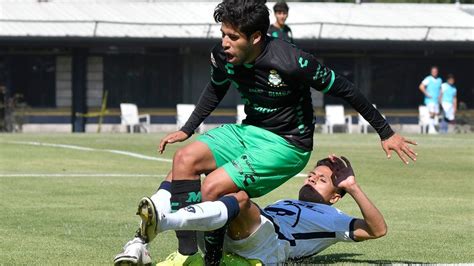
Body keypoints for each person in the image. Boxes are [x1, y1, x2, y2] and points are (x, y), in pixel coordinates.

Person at [120, 0, 416, 265]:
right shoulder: (222, 55)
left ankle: (212, 259)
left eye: (232, 37)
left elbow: (347, 89)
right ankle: (187, 254)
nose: (224, 42)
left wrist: (385, 132)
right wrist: (187, 128)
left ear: (256, 37)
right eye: (223, 33)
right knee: (184, 160)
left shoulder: (292, 61)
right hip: (250, 130)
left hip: (288, 145)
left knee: (212, 187)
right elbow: (216, 88)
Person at [114, 155, 387, 265]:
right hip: (238, 231)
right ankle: (138, 244)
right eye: (313, 174)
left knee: (241, 198)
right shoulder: (285, 202)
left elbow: (378, 230)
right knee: (185, 166)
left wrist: (352, 186)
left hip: (269, 247)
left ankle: (165, 222)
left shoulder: (333, 218)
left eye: (323, 179)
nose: (313, 178)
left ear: (336, 197)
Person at [419, 66, 442, 134]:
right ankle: (431, 130)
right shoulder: (428, 79)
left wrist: (440, 97)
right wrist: (427, 94)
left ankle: (433, 129)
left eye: (435, 71)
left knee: (436, 114)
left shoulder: (439, 80)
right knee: (431, 113)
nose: (434, 72)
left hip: (436, 101)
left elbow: (440, 89)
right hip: (430, 100)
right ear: (431, 72)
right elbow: (421, 86)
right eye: (433, 71)